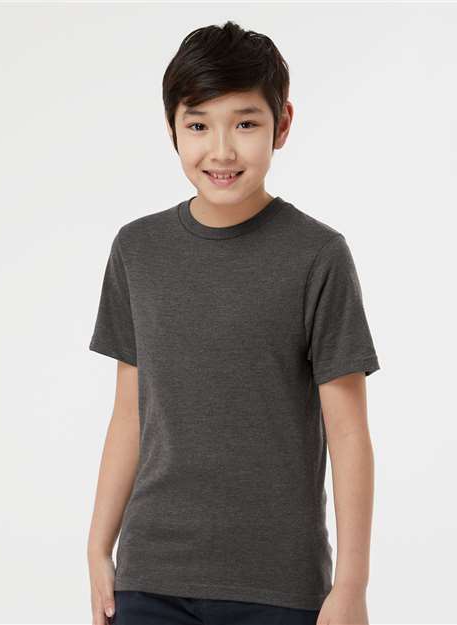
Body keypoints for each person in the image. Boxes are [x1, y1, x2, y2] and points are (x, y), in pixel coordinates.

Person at [87, 20, 381, 625]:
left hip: (279, 588)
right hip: (150, 580)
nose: (221, 151)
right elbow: (129, 414)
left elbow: (349, 432)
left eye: (245, 124)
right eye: (198, 125)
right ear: (171, 128)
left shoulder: (318, 256)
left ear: (283, 124)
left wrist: (351, 585)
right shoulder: (137, 250)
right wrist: (97, 546)